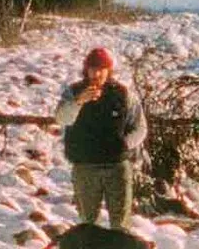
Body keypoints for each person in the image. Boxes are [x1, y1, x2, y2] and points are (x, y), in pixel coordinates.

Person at [54, 46, 147, 227]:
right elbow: (61, 119)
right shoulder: (73, 92)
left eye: (101, 70)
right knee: (88, 223)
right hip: (85, 166)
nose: (96, 74)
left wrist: (125, 144)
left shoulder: (123, 94)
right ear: (86, 70)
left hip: (117, 167)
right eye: (92, 69)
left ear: (109, 70)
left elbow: (140, 127)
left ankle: (118, 246)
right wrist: (78, 102)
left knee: (121, 225)